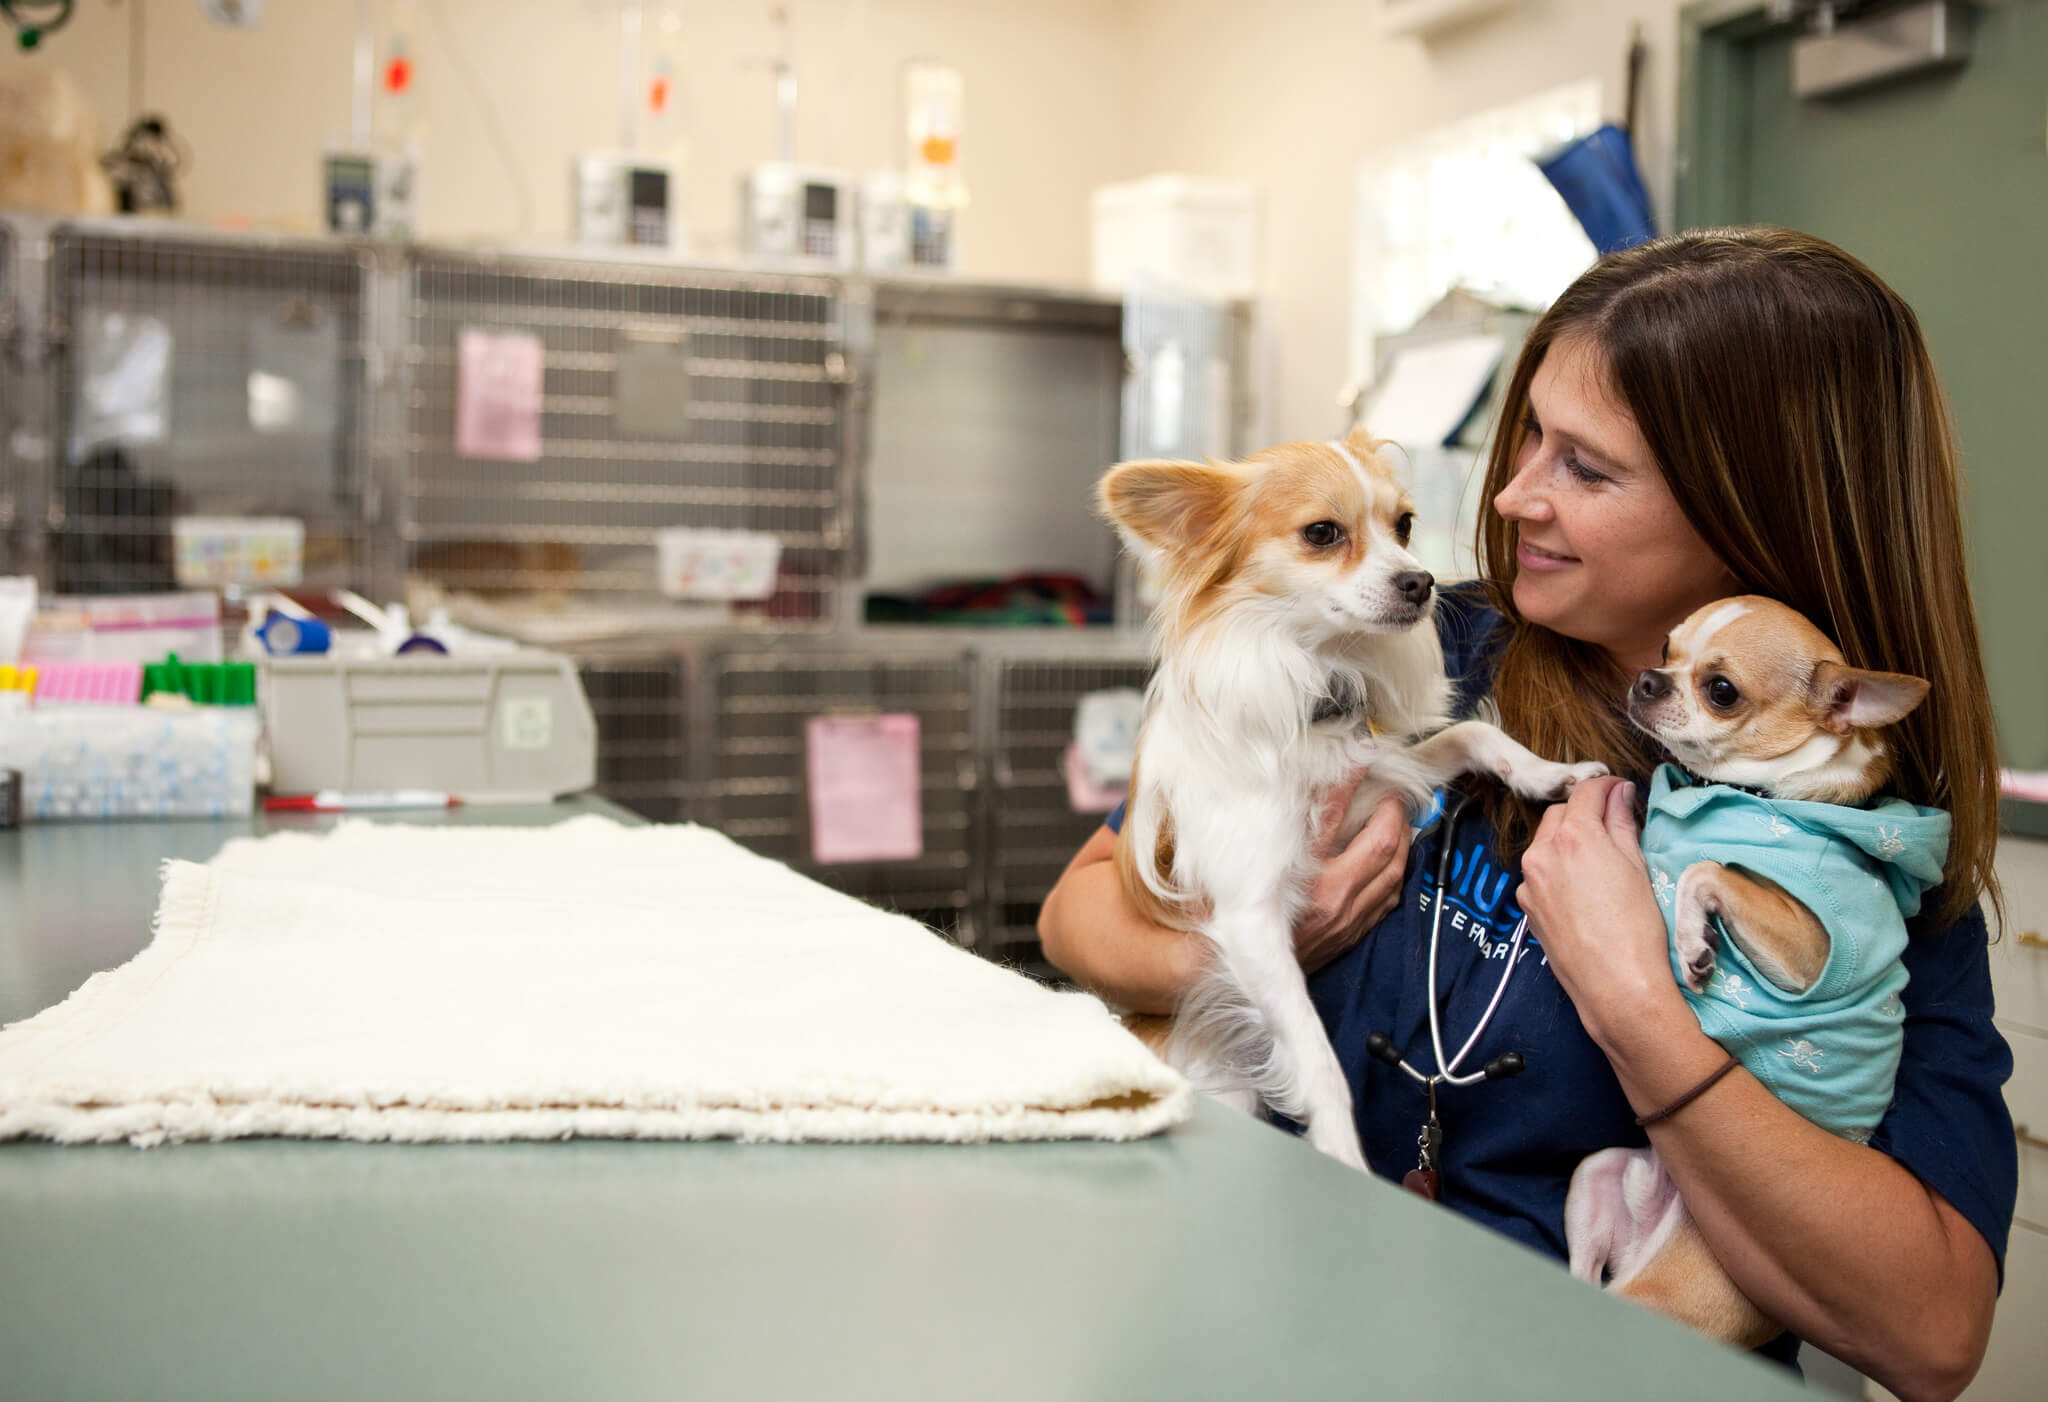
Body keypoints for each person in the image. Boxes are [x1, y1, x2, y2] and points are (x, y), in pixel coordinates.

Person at [1037, 228, 2015, 1402]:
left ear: (1751, 514)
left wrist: (1637, 1006)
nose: (1511, 495)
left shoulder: (1841, 831)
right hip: (1292, 1314)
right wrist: (1249, 947)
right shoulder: (1402, 639)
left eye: (1584, 470)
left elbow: (1931, 1331)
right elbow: (1076, 910)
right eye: (1527, 438)